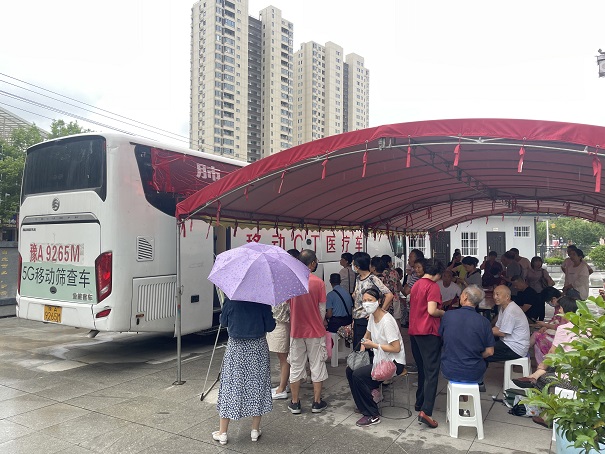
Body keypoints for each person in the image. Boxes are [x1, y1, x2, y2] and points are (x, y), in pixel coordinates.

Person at [212, 298, 276, 445]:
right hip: (258, 348)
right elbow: (270, 326)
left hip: (236, 349)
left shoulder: (231, 300)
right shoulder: (262, 301)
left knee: (230, 386)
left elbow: (223, 322)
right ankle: (255, 430)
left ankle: (223, 432)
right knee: (257, 386)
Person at [346, 287, 407, 427]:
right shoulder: (372, 317)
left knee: (359, 375)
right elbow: (366, 336)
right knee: (351, 370)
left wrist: (373, 345)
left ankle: (372, 414)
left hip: (394, 362)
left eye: (370, 300)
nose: (367, 303)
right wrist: (361, 354)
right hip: (380, 359)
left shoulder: (387, 321)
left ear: (379, 301)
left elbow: (396, 348)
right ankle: (363, 405)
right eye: (364, 301)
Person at [288, 249, 329, 415]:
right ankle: (317, 403)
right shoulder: (319, 283)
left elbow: (288, 307)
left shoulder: (291, 282)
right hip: (315, 331)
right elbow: (322, 309)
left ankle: (295, 402)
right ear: (312, 263)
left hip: (296, 330)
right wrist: (317, 321)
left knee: (296, 366)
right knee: (317, 365)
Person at [512, 296, 579, 391]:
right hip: (582, 372)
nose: (559, 310)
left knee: (543, 377)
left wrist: (542, 365)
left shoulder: (564, 328)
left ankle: (536, 383)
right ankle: (533, 377)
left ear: (566, 310)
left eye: (560, 308)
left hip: (569, 378)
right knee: (550, 364)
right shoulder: (586, 327)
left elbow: (552, 352)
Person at [409, 259, 445, 428]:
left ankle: (419, 402)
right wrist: (443, 312)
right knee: (432, 372)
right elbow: (431, 310)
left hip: (415, 331)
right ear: (438, 273)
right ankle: (426, 411)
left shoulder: (416, 284)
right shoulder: (433, 286)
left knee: (422, 369)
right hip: (428, 332)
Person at [440, 285, 495, 383]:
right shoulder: (484, 322)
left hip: (450, 369)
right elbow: (490, 352)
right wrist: (476, 356)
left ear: (465, 296)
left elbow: (441, 338)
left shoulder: (448, 315)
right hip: (474, 371)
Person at [266, 248, 299, 401]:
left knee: (284, 358)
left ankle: (282, 388)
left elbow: (285, 308)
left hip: (281, 325)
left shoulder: (287, 283)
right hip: (279, 324)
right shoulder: (285, 281)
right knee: (283, 358)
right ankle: (283, 385)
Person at [351, 253, 392, 351]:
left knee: (365, 350)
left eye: (353, 263)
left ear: (357, 266)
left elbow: (389, 295)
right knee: (358, 349)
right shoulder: (358, 278)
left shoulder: (372, 279)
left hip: (367, 320)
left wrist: (380, 312)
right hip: (357, 319)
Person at [487, 285, 530, 363]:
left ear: (507, 297)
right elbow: (497, 327)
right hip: (508, 343)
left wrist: (483, 331)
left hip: (515, 348)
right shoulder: (503, 307)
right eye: (494, 294)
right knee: (483, 345)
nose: (495, 297)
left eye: (498, 294)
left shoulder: (511, 310)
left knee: (483, 352)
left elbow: (502, 333)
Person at [531, 287, 564, 364]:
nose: (549, 304)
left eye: (548, 302)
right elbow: (554, 319)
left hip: (562, 336)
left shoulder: (563, 307)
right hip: (557, 333)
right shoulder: (557, 306)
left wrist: (546, 325)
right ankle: (543, 363)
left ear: (554, 298)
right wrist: (545, 326)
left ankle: (546, 363)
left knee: (537, 336)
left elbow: (561, 326)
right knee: (537, 340)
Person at [381, 254, 403, 321]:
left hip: (384, 299)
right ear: (388, 263)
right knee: (397, 319)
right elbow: (398, 285)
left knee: (385, 318)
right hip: (395, 297)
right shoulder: (394, 272)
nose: (392, 264)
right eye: (391, 262)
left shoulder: (381, 273)